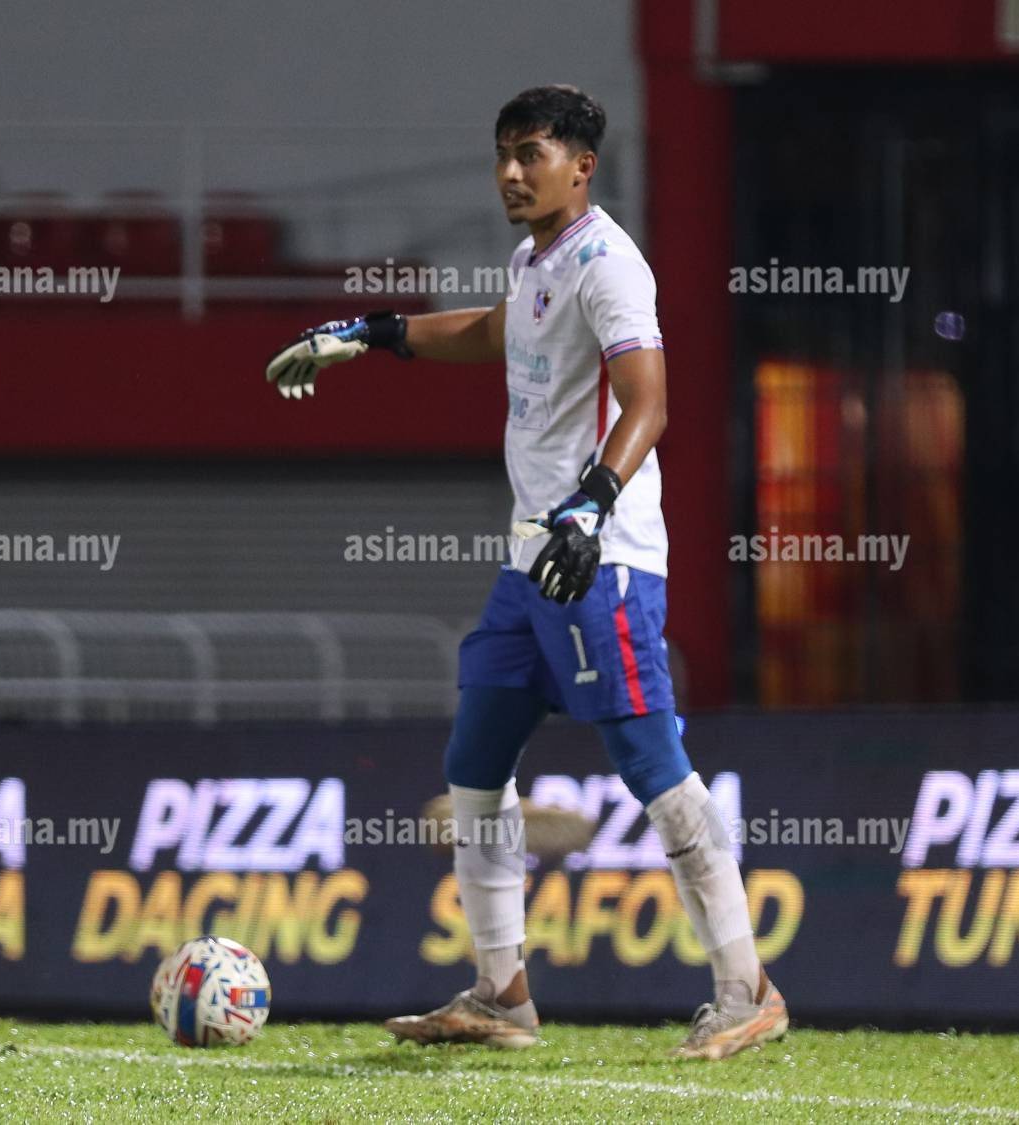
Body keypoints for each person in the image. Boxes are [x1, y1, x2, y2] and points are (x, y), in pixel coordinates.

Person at [265, 84, 787, 1060]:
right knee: (475, 762)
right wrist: (371, 333)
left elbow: (649, 402)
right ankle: (501, 993)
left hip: (600, 559)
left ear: (580, 166)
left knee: (652, 765)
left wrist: (591, 504)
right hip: (530, 563)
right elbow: (498, 333)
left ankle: (746, 988)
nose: (510, 172)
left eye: (530, 154)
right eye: (503, 154)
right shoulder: (535, 260)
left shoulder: (610, 263)